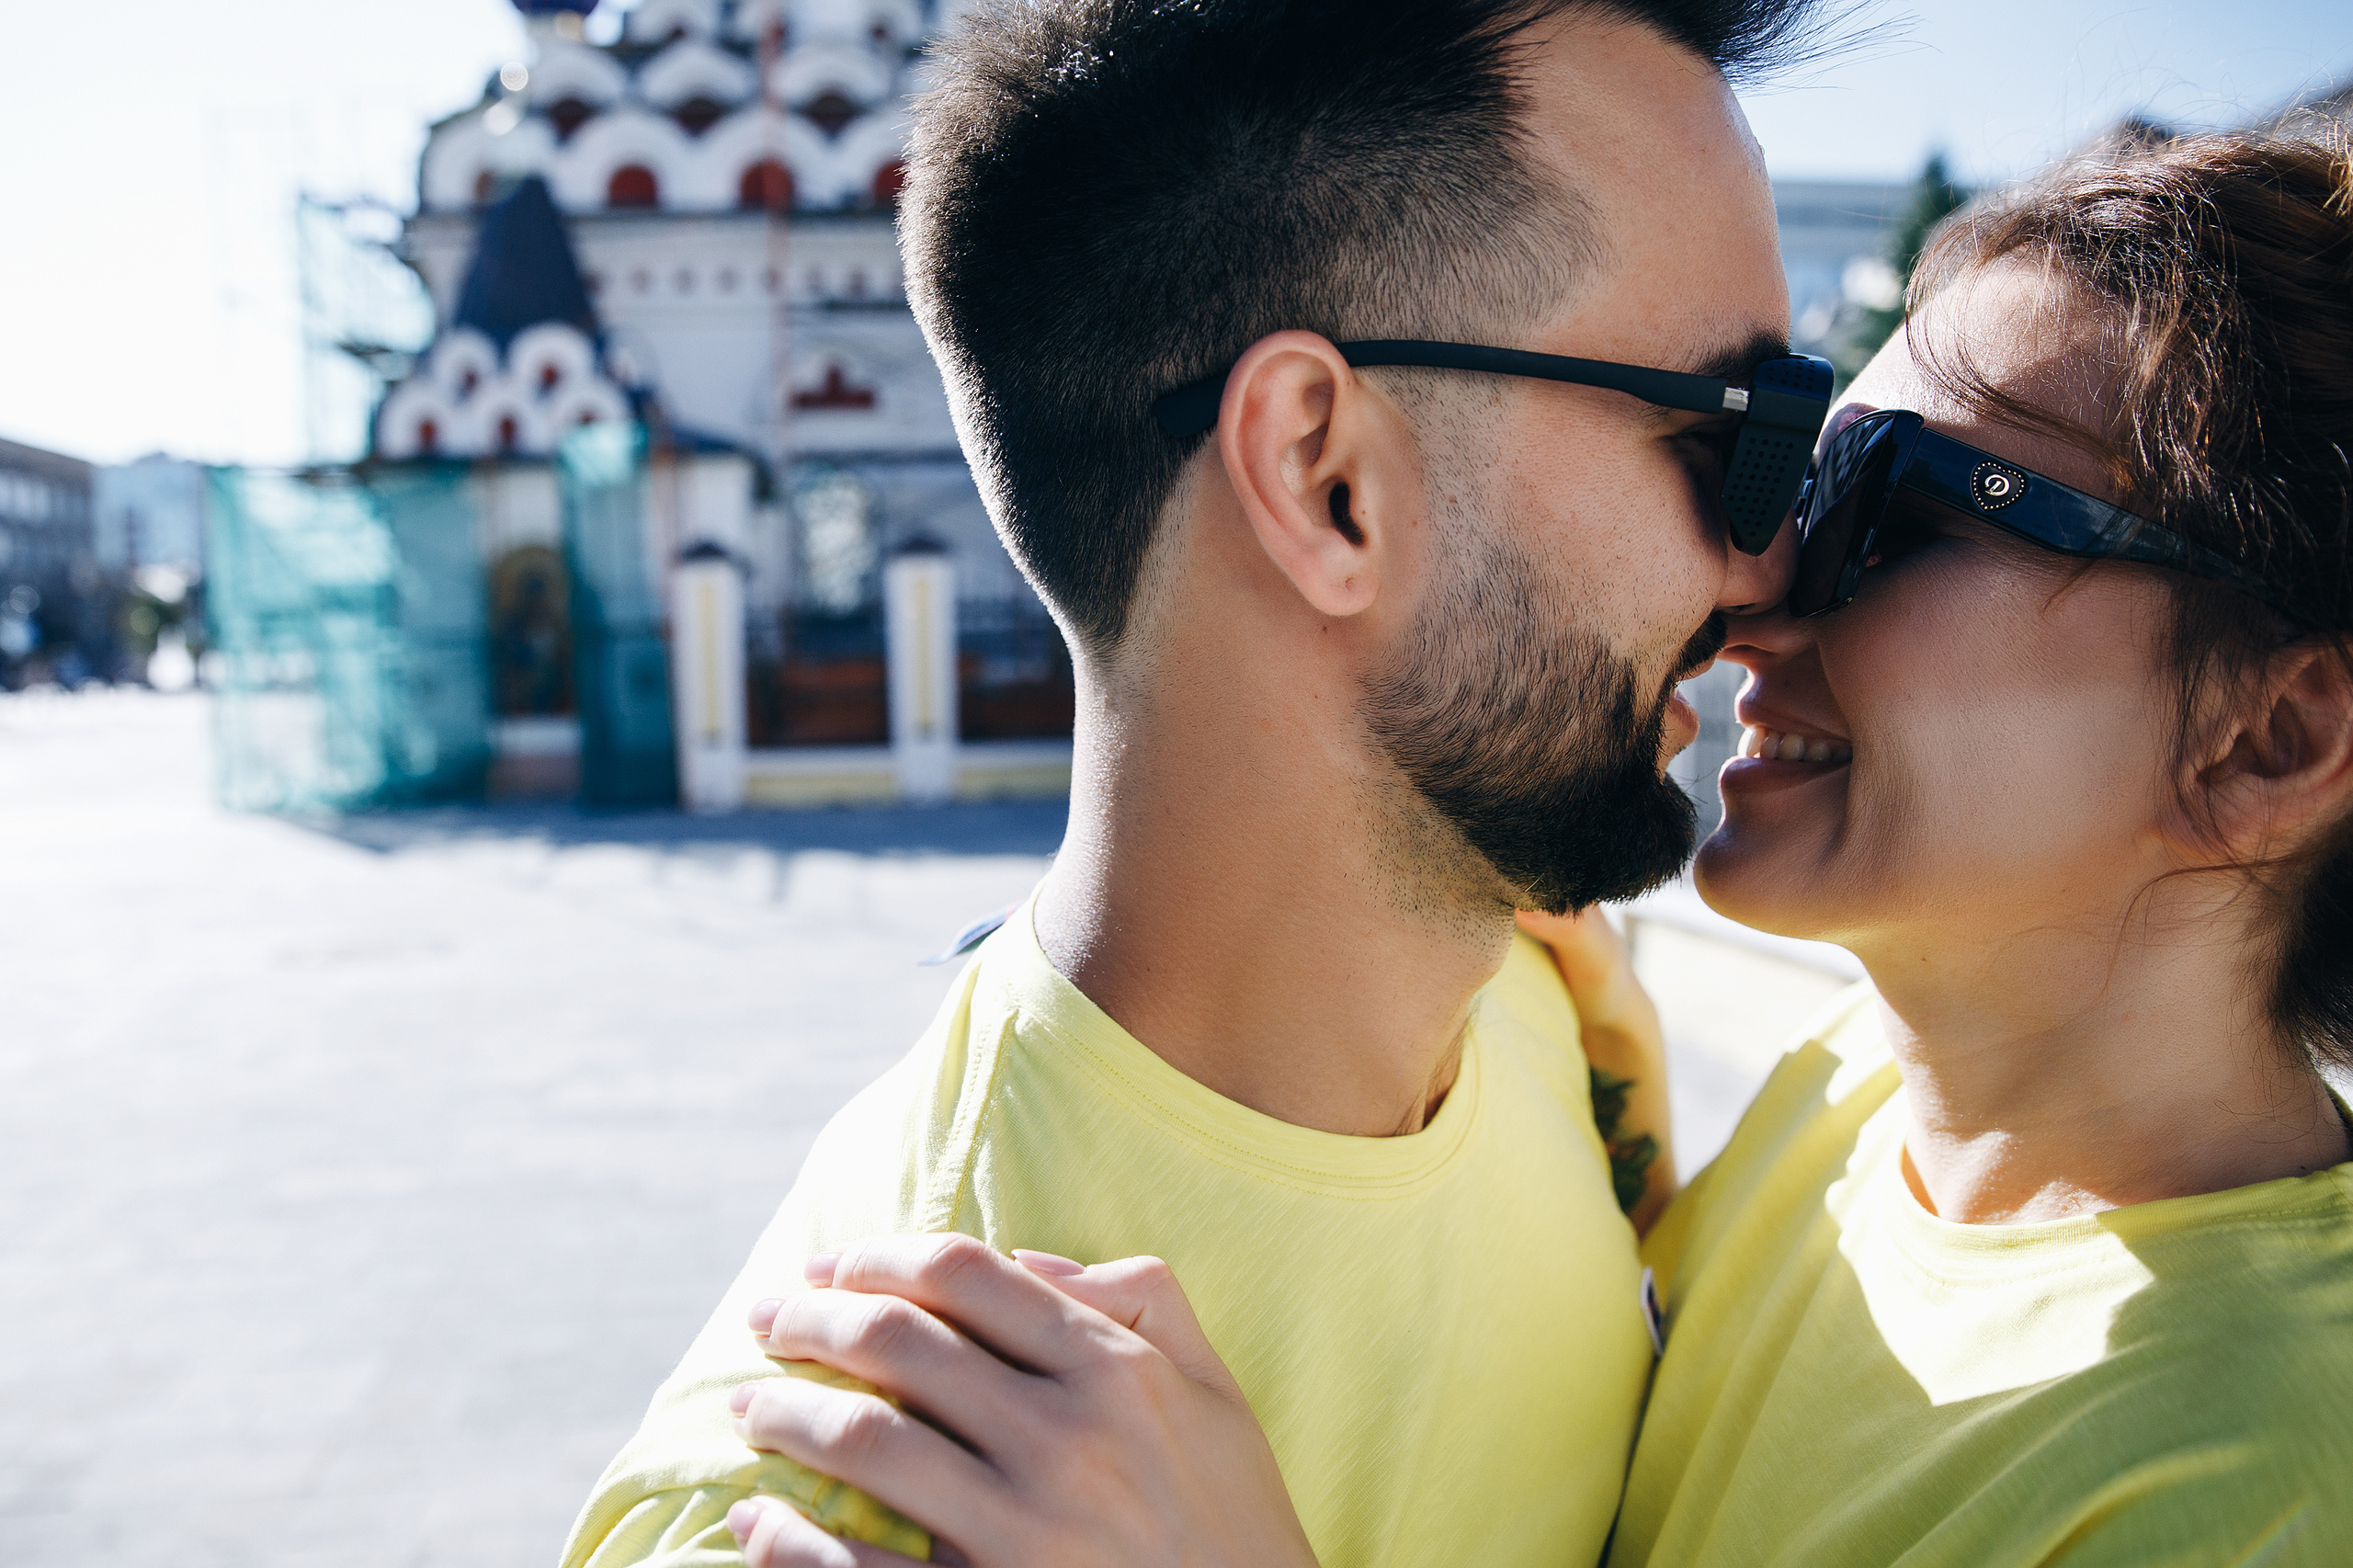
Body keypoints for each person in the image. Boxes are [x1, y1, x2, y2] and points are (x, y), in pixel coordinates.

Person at [718, 127, 2353, 1568]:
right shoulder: (1867, 1106)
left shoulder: (2272, 1468)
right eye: (1782, 459)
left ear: (2268, 737)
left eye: (1899, 509)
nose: (1769, 568)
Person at [560, 0, 1836, 1564]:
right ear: (1325, 476)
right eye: (1737, 436)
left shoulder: (1542, 1000)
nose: (1773, 562)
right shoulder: (861, 1489)